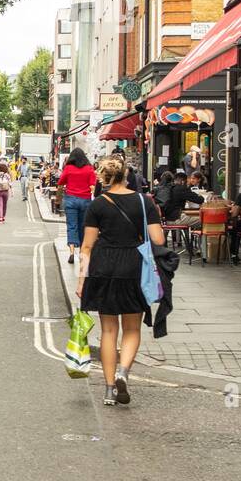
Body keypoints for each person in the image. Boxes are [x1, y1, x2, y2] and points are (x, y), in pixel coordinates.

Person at [77, 157, 166, 407]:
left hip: (103, 266)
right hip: (133, 267)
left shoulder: (97, 205)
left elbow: (86, 246)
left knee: (108, 330)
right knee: (132, 328)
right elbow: (158, 240)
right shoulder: (143, 201)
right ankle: (123, 373)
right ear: (127, 176)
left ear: (105, 178)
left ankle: (108, 390)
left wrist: (82, 279)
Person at [59, 148, 97, 264]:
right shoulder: (89, 169)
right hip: (85, 201)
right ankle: (82, 252)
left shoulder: (68, 168)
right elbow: (93, 186)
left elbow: (61, 182)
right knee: (83, 227)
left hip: (70, 200)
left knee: (71, 226)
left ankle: (71, 253)